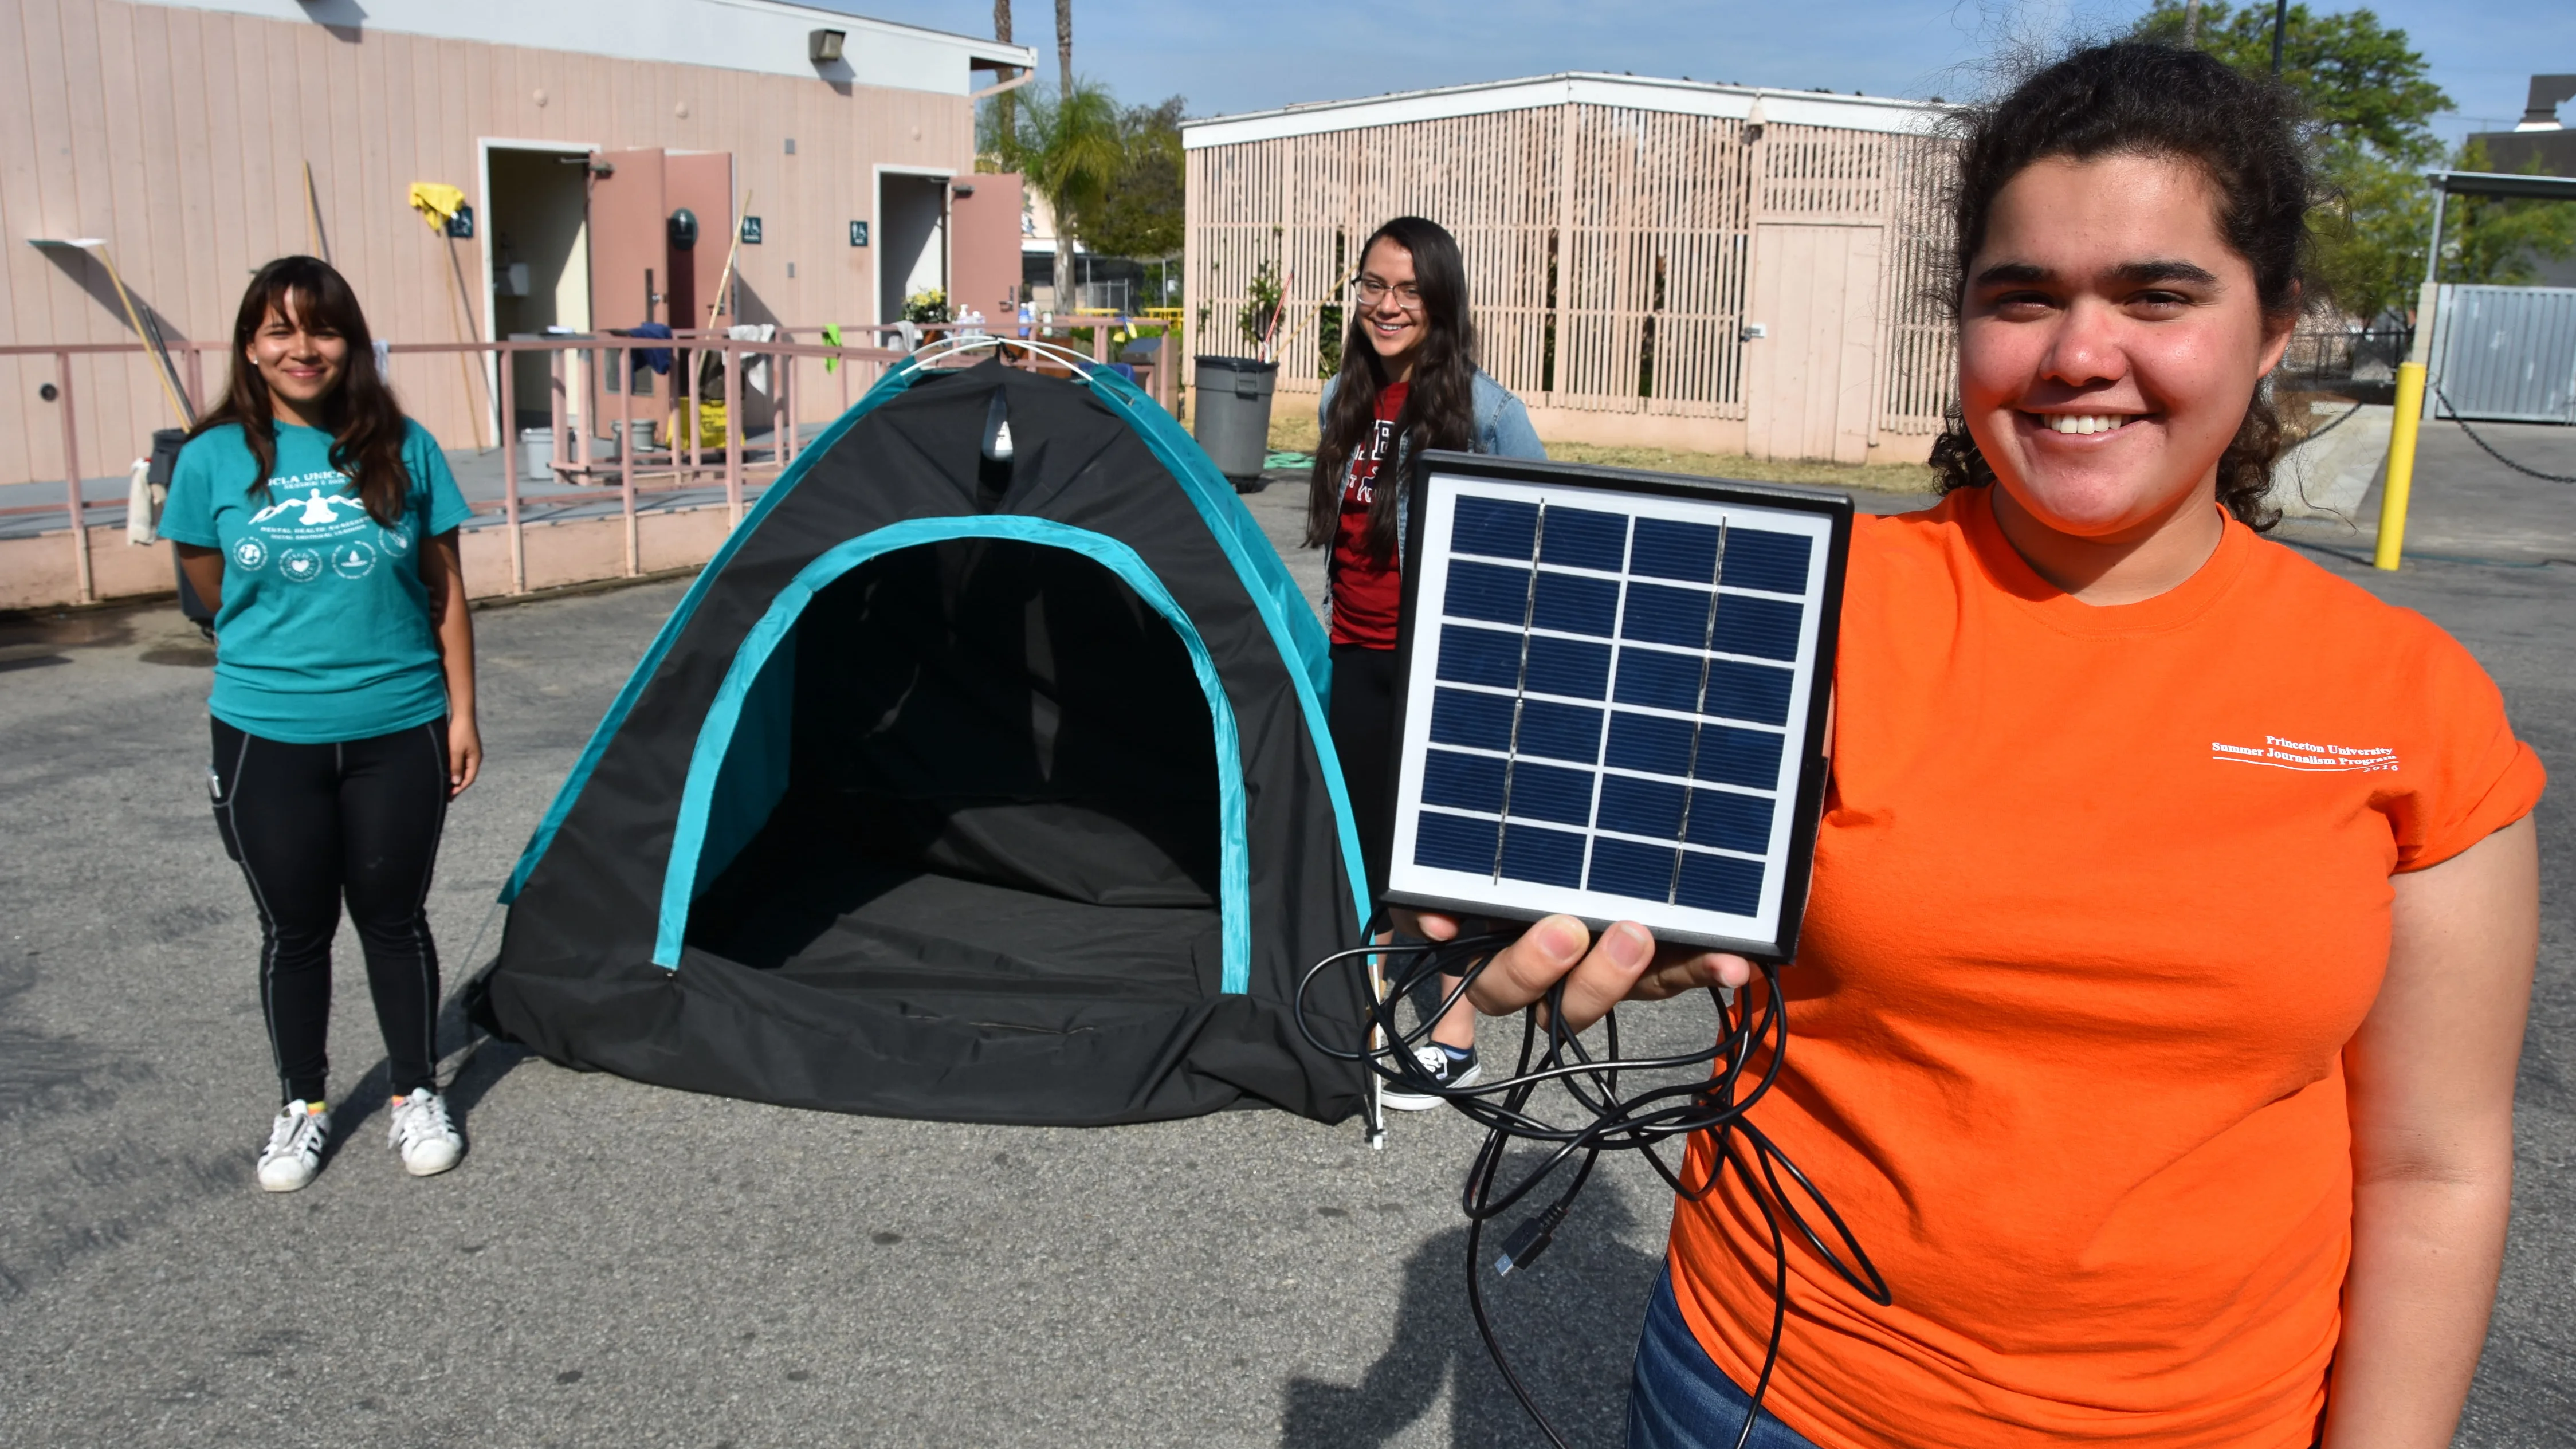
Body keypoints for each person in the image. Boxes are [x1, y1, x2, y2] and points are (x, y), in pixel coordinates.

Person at [1409, 45, 2544, 1447]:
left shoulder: (2407, 700)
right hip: (1769, 1396)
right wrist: (1606, 943)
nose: (2079, 354)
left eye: (2155, 296)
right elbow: (1639, 896)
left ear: (2269, 330)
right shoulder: (1801, 613)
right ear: (1961, 329)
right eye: (2023, 298)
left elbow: (2434, 1168)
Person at [164, 256, 483, 1193]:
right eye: (279, 331)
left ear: (352, 343)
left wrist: (463, 711)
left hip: (402, 726)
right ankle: (301, 1105)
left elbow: (446, 588)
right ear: (252, 350)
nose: (303, 348)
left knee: (393, 917)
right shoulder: (212, 457)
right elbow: (207, 582)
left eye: (324, 329)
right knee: (294, 928)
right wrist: (284, 643)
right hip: (267, 733)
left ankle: (415, 1092)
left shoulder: (405, 446)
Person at [1306, 215, 1546, 1109]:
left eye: (1408, 290)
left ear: (1440, 302)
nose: (1388, 304)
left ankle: (1453, 1038)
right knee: (1370, 850)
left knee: (1435, 856)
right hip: (1356, 656)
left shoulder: (1489, 413)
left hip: (1441, 669)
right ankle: (1377, 1021)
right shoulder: (1347, 395)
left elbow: (1547, 541)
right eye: (1374, 285)